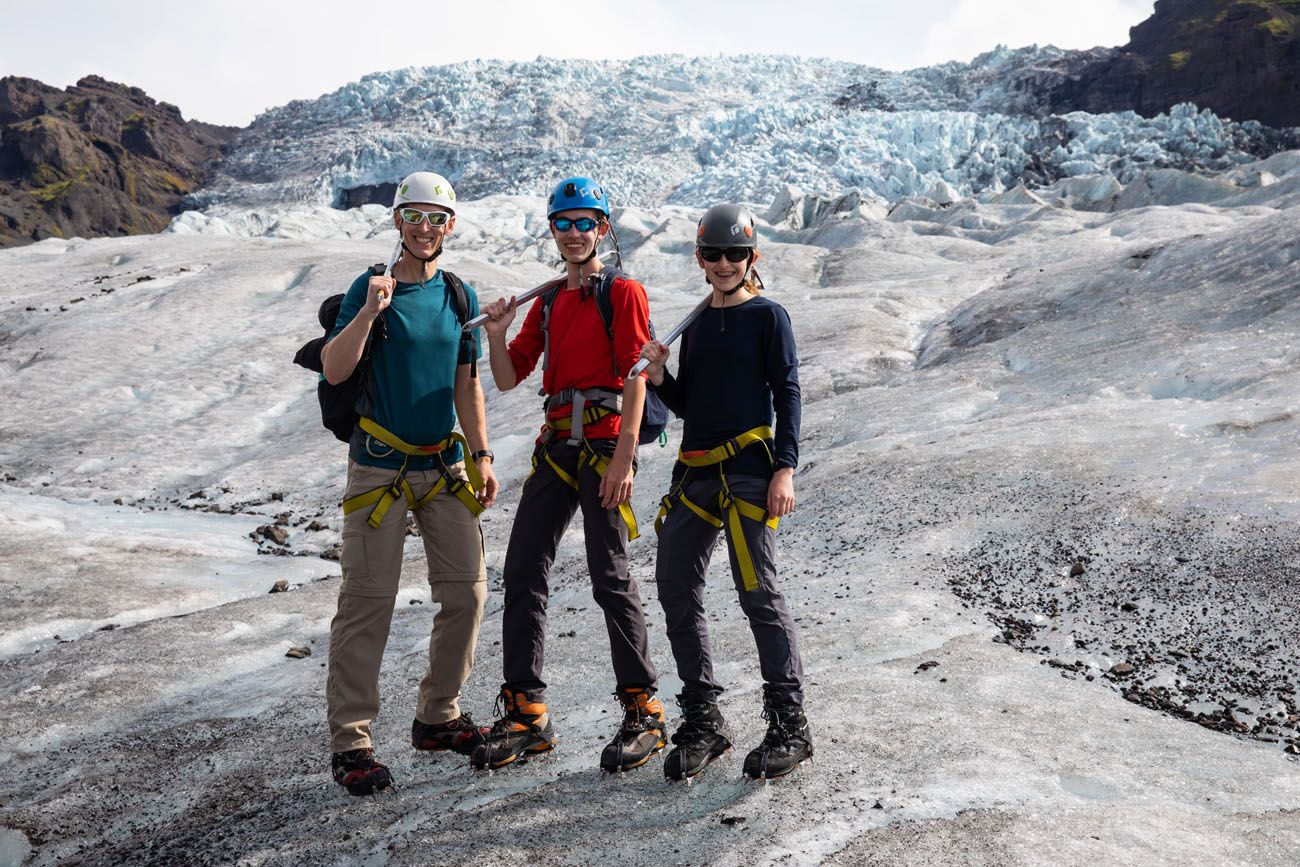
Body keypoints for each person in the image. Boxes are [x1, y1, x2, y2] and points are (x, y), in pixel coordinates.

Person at [474, 176, 663, 773]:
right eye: (565, 223)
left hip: (605, 443)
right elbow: (508, 377)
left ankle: (644, 709)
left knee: (609, 574)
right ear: (553, 230)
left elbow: (636, 372)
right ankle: (527, 711)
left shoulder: (623, 291)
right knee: (524, 568)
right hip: (556, 446)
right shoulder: (551, 299)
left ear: (603, 229)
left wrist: (624, 458)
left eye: (587, 223)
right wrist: (499, 335)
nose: (576, 233)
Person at [320, 171, 499, 796]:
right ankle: (352, 742)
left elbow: (467, 382)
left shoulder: (459, 295)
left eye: (437, 218)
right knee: (369, 600)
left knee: (468, 593)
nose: (426, 228)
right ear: (397, 221)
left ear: (451, 226)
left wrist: (481, 453)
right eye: (414, 216)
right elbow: (335, 368)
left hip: (443, 465)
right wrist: (370, 310)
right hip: (380, 468)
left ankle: (437, 716)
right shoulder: (370, 288)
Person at [637, 203, 812, 781]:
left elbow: (786, 393)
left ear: (751, 257)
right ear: (699, 258)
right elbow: (695, 408)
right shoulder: (696, 326)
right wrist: (663, 378)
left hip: (748, 472)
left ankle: (790, 724)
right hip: (696, 472)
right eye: (713, 254)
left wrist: (785, 468)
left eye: (735, 254)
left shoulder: (769, 316)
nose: (723, 263)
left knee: (757, 591)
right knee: (675, 588)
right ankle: (704, 720)